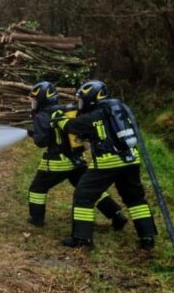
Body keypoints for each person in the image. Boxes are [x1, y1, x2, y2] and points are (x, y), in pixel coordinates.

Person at [53, 80, 158, 249]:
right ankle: (147, 237)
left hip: (107, 162)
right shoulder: (120, 109)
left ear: (91, 99)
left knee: (83, 195)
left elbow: (72, 126)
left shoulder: (96, 113)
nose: (80, 104)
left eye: (82, 100)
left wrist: (59, 119)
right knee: (135, 198)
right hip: (131, 159)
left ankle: (82, 239)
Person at [26, 81, 127, 229]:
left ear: (42, 99)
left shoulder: (42, 115)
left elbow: (41, 141)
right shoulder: (65, 110)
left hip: (57, 162)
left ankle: (36, 219)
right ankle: (116, 214)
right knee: (89, 189)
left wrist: (35, 134)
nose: (33, 103)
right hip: (76, 160)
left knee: (37, 189)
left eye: (34, 100)